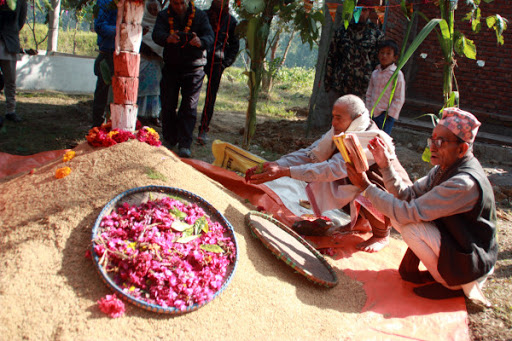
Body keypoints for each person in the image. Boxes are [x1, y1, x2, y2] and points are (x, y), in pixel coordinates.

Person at [346, 108, 497, 303]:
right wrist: (385, 166)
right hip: (458, 247)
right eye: (432, 140)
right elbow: (407, 195)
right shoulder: (443, 169)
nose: (433, 147)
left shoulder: (463, 183)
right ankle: (445, 275)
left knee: (411, 228)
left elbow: (409, 212)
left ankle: (452, 284)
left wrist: (365, 186)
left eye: (440, 142)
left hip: (472, 262)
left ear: (462, 149)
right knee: (399, 217)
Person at [247, 94, 411, 253]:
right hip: (363, 187)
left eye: (339, 118)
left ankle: (382, 234)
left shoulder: (369, 139)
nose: (333, 122)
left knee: (357, 183)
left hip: (397, 201)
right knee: (342, 179)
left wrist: (284, 172)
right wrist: (277, 164)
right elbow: (310, 154)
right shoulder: (339, 131)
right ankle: (360, 222)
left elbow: (331, 170)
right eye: (333, 116)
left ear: (357, 118)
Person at [152, 0, 214, 158]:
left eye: (181, 3)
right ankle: (169, 139)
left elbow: (209, 36)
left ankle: (185, 144)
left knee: (189, 107)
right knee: (167, 104)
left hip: (194, 68)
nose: (179, 6)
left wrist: (201, 42)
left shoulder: (200, 16)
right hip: (171, 67)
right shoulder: (163, 16)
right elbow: (156, 35)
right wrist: (167, 38)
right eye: (175, 3)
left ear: (188, 1)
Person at [324, 0, 383, 112]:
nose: (361, 13)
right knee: (338, 120)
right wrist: (328, 84)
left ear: (369, 12)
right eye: (358, 10)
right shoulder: (342, 31)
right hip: (341, 86)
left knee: (358, 123)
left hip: (364, 89)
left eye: (364, 10)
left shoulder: (376, 34)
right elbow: (332, 57)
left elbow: (378, 64)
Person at [196, 0, 239, 145]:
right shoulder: (203, 16)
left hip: (217, 63)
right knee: (191, 95)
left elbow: (234, 45)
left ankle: (203, 129)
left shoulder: (231, 21)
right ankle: (185, 127)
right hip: (198, 60)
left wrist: (225, 63)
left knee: (210, 97)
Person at [365, 39, 405, 135]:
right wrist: (368, 109)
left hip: (385, 115)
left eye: (388, 53)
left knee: (382, 138)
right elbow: (369, 92)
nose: (384, 56)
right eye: (382, 53)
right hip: (372, 113)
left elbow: (399, 97)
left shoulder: (396, 74)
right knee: (369, 136)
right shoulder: (375, 73)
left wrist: (390, 113)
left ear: (395, 57)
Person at [0, 0, 27, 128]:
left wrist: (11, 31)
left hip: (9, 43)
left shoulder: (21, 1)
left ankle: (10, 110)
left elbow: (21, 21)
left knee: (10, 80)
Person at [137, 0, 164, 127]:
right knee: (141, 89)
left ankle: (153, 115)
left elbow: (162, 44)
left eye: (156, 9)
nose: (154, 12)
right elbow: (136, 39)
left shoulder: (162, 25)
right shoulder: (141, 23)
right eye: (151, 9)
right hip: (143, 60)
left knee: (155, 90)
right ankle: (139, 115)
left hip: (156, 62)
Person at [91, 0, 117, 128]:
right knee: (102, 94)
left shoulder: (134, 3)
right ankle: (97, 128)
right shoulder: (104, 2)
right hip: (107, 53)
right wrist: (122, 30)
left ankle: (118, 128)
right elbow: (100, 26)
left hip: (127, 55)